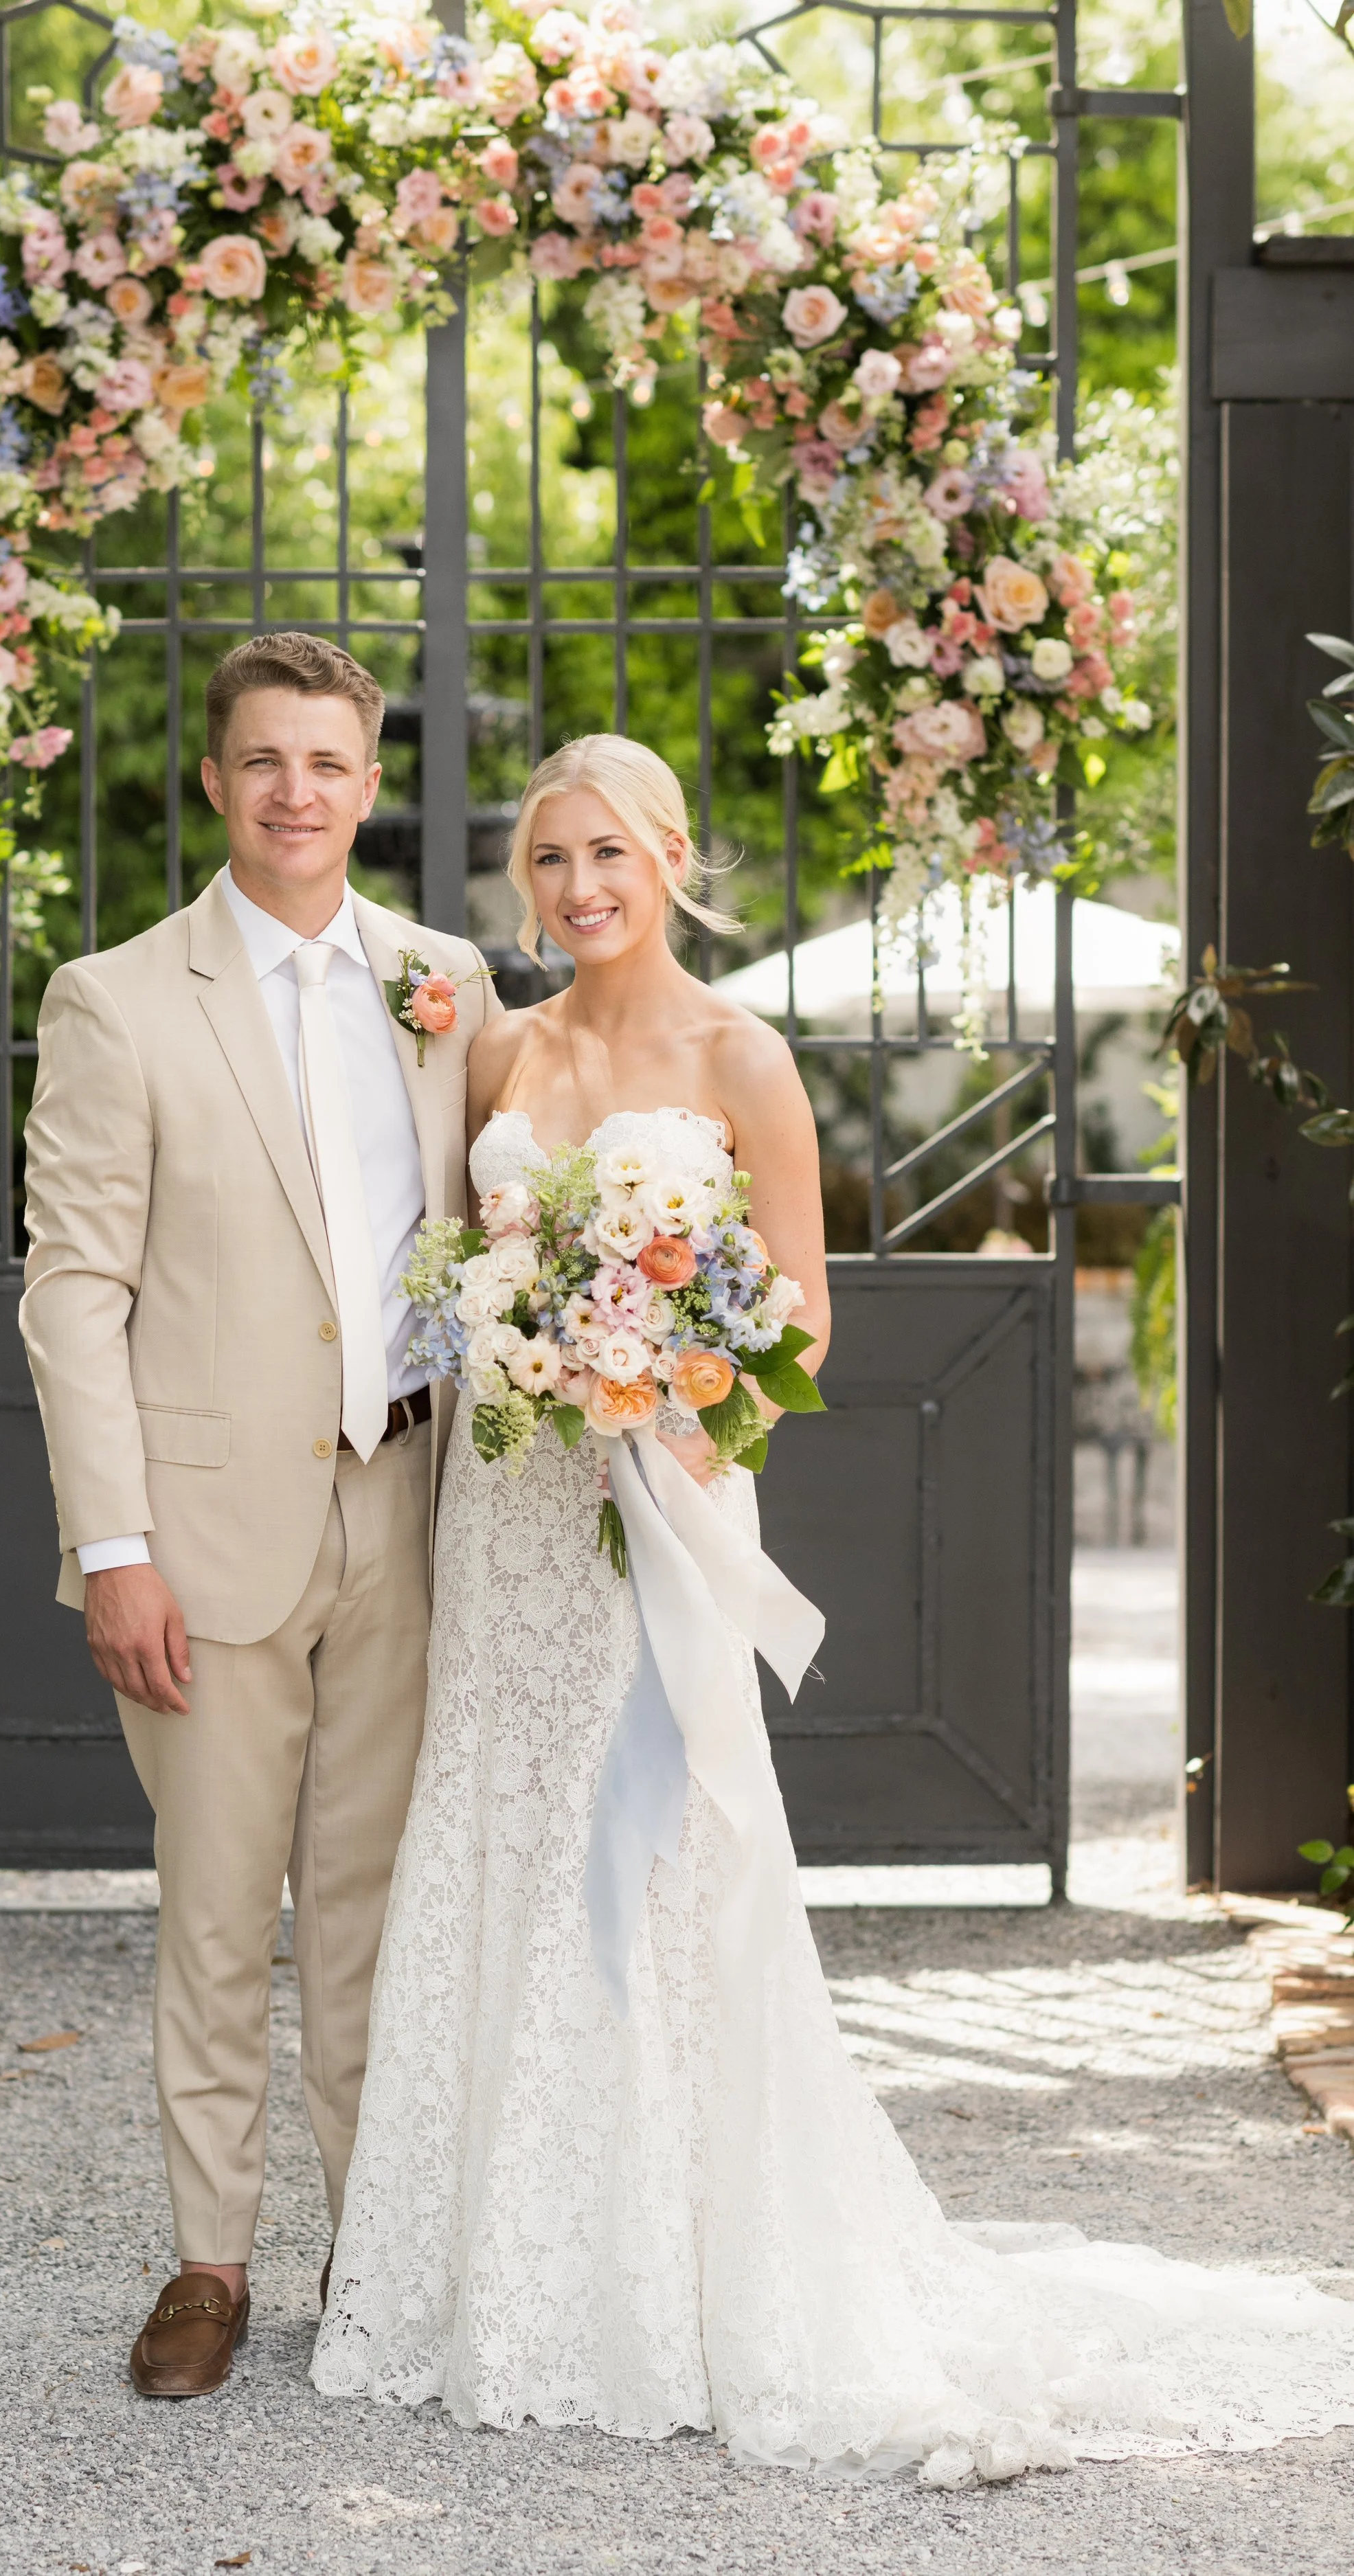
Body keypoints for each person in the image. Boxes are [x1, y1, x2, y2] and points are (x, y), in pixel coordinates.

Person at [312, 733, 1354, 2483]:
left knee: (656, 1856)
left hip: (657, 1506)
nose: (577, 891)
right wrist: (534, 1342)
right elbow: (433, 1258)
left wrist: (641, 1369)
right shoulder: (499, 1040)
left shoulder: (741, 1054)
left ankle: (680, 2272)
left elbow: (798, 1329)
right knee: (503, 1833)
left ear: (670, 854)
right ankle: (497, 2271)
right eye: (547, 864)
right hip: (501, 1525)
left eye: (607, 857)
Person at [19, 631, 498, 2400]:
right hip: (205, 1543)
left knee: (376, 1912)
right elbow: (73, 1289)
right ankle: (207, 2266)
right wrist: (114, 1545)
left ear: (370, 787)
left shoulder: (445, 984)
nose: (298, 792)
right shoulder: (118, 999)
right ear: (215, 782)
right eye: (264, 762)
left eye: (329, 762)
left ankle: (368, 2259)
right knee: (218, 1913)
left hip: (409, 1513)